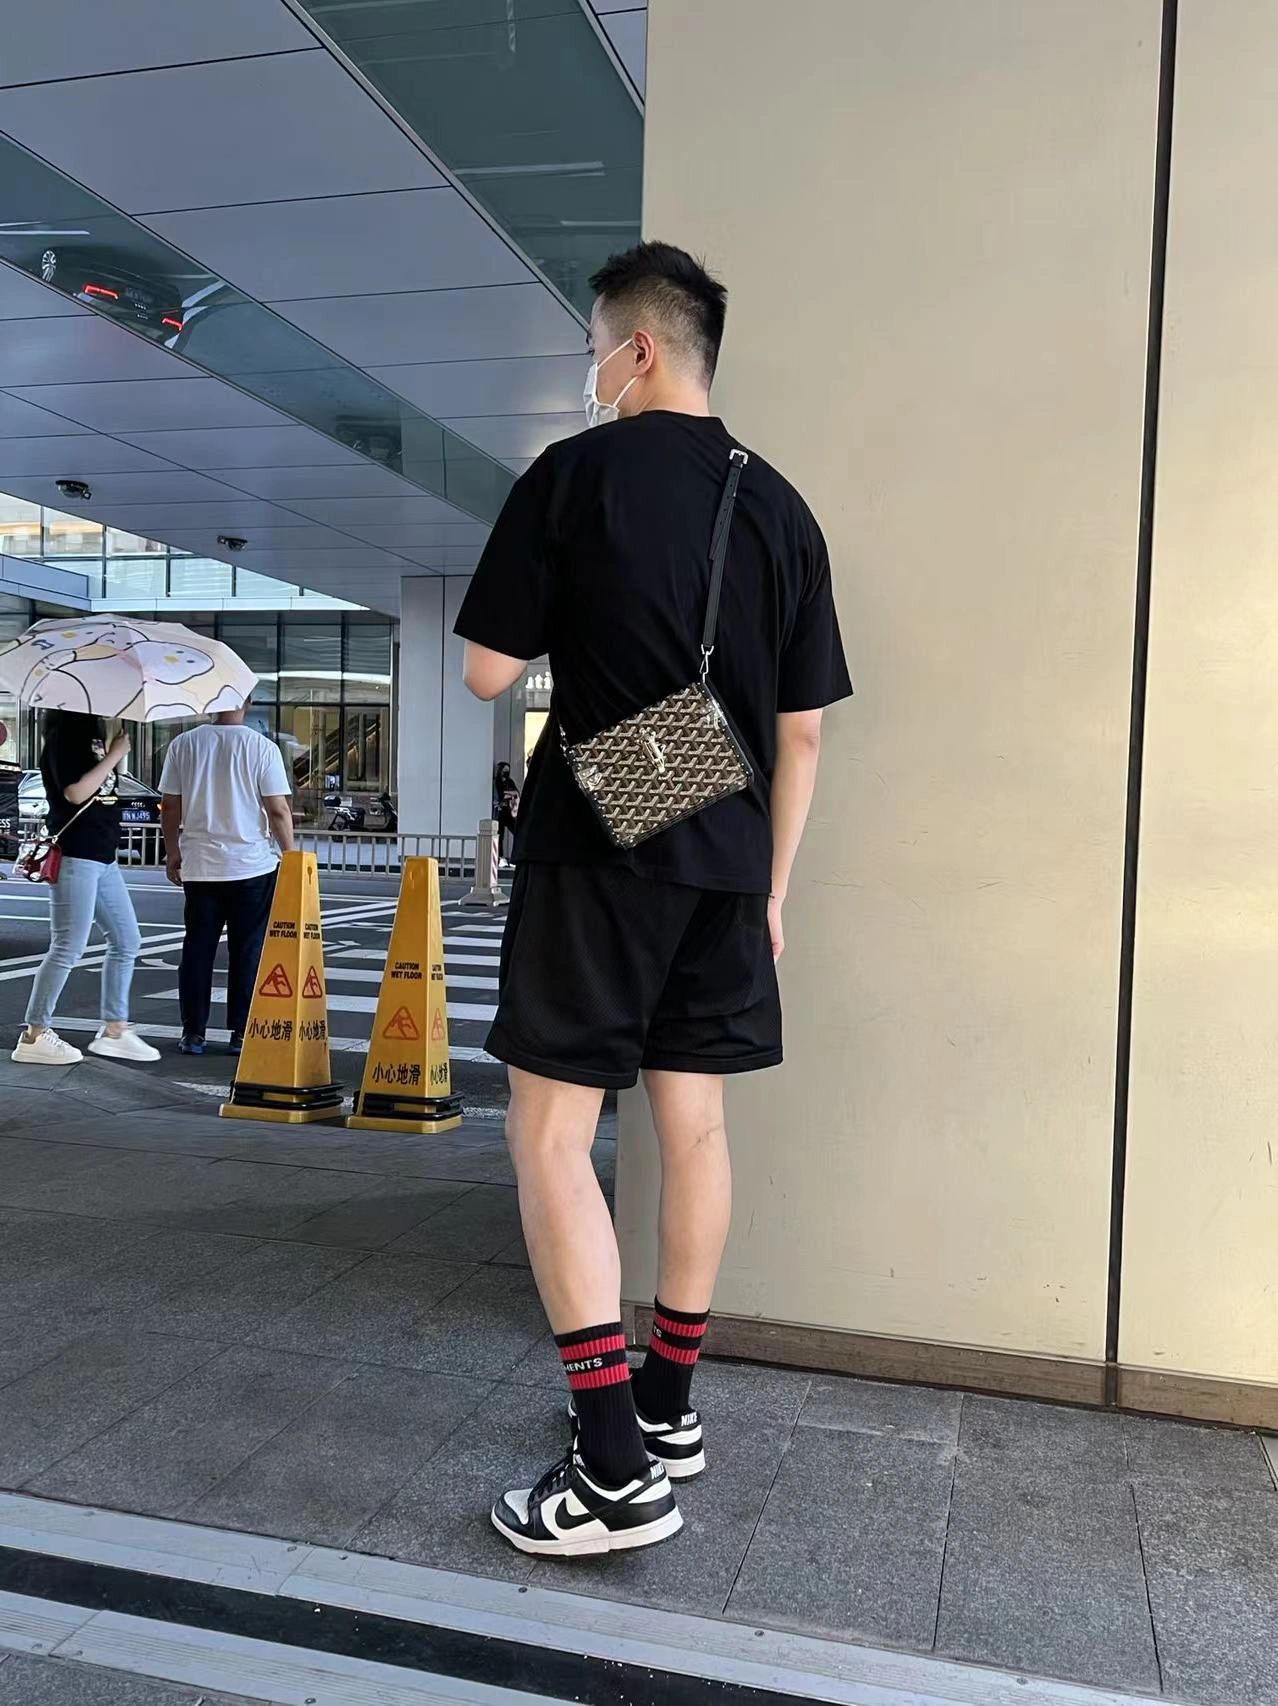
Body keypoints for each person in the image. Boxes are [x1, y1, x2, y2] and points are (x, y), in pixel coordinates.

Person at [455, 240, 853, 1557]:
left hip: (601, 843)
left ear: (633, 350)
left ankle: (614, 1472)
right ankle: (668, 1402)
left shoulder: (572, 476)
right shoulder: (782, 508)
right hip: (731, 860)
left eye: (593, 350)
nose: (591, 373)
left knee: (550, 1134)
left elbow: (486, 670)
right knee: (695, 1126)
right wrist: (772, 888)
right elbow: (803, 733)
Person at [13, 710, 160, 1066]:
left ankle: (115, 1030)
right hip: (77, 855)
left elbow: (101, 791)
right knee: (68, 946)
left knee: (127, 941)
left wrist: (113, 753)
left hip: (103, 856)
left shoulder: (93, 737)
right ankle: (34, 1034)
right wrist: (114, 755)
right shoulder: (65, 737)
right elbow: (75, 793)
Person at [158, 700, 294, 1056]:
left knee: (197, 949)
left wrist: (173, 851)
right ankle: (241, 1033)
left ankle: (193, 1033)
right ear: (247, 702)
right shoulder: (262, 747)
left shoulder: (183, 744)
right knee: (247, 951)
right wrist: (292, 855)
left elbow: (170, 807)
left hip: (200, 867)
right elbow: (278, 810)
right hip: (251, 867)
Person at [493, 761, 520, 862]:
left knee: (517, 831)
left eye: (507, 771)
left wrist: (510, 794)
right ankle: (500, 857)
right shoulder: (497, 782)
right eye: (504, 771)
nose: (506, 773)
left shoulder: (510, 782)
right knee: (500, 835)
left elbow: (517, 793)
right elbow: (501, 796)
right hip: (500, 812)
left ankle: (515, 856)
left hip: (509, 812)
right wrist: (511, 794)